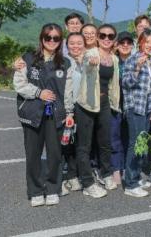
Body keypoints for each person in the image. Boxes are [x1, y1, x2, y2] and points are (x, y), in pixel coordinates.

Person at [13, 23, 71, 207]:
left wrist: (69, 112)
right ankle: (36, 190)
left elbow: (68, 91)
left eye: (56, 38)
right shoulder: (27, 58)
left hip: (55, 114)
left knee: (54, 154)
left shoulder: (64, 62)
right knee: (33, 154)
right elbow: (19, 84)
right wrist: (39, 93)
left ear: (60, 41)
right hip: (32, 113)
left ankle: (53, 188)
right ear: (42, 38)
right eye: (48, 37)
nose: (52, 41)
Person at [74, 24, 121, 198]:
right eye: (103, 35)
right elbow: (87, 63)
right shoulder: (91, 53)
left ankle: (106, 173)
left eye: (110, 36)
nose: (106, 39)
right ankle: (87, 182)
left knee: (105, 142)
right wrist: (91, 63)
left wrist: (114, 102)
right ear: (98, 37)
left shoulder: (113, 59)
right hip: (87, 103)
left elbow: (113, 83)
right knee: (84, 145)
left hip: (104, 103)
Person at [121, 30, 151, 197]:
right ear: (140, 42)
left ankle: (136, 177)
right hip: (135, 107)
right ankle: (130, 184)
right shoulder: (132, 59)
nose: (150, 45)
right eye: (147, 42)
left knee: (142, 145)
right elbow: (126, 83)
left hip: (147, 109)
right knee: (135, 144)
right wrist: (137, 68)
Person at [61, 32, 86, 196]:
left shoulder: (87, 60)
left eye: (79, 43)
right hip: (66, 107)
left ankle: (75, 174)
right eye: (72, 43)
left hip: (84, 107)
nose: (76, 46)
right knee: (64, 143)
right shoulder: (63, 61)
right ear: (66, 45)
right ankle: (64, 177)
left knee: (80, 143)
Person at [113, 31, 134, 186]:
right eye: (122, 43)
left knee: (129, 137)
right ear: (117, 45)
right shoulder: (112, 61)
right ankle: (116, 169)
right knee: (115, 137)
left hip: (131, 105)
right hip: (115, 104)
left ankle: (128, 168)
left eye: (128, 43)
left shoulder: (136, 61)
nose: (125, 45)